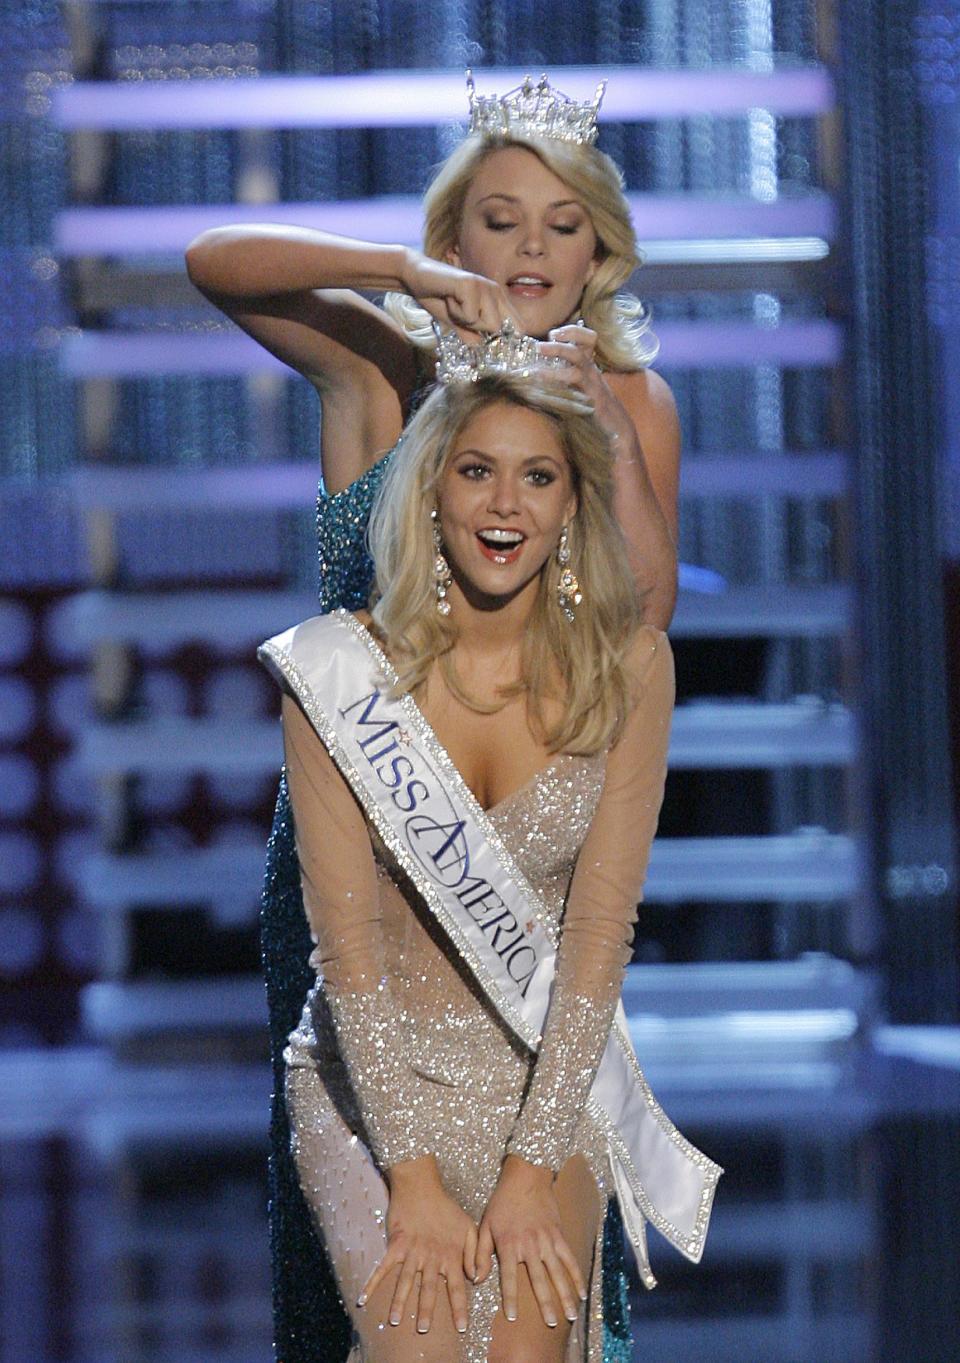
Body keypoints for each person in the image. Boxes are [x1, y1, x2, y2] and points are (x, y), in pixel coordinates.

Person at [184, 75, 685, 1360]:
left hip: (528, 861)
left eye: (562, 225)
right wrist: (395, 268)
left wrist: (603, 433)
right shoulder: (380, 370)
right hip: (365, 833)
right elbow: (214, 262)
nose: (528, 250)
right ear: (455, 235)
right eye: (498, 220)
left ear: (599, 251)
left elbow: (645, 621)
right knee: (375, 1266)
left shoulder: (633, 402)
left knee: (530, 1270)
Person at [257, 360, 719, 1363]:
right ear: (432, 489)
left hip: (541, 1084)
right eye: (476, 471)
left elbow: (599, 934)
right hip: (373, 1088)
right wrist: (413, 1180)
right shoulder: (337, 673)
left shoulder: (631, 667)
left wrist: (530, 1165)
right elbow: (346, 956)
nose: (506, 504)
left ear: (571, 504)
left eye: (538, 477)